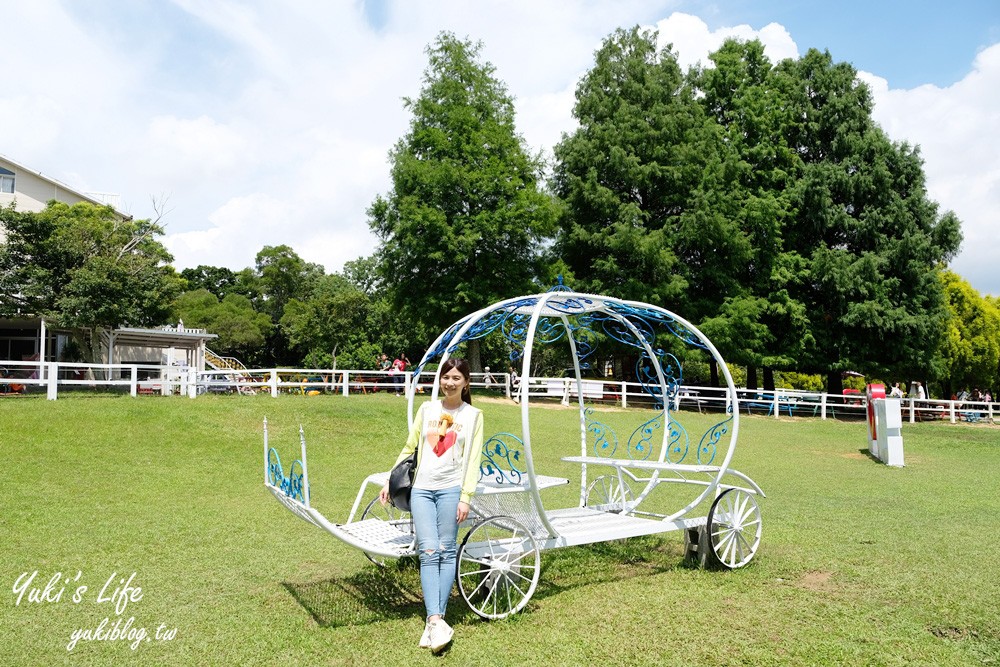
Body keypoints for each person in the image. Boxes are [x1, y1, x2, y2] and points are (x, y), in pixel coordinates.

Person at [379, 358, 484, 654]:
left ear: (465, 383)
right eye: (445, 377)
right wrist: (390, 479)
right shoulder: (427, 410)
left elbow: (473, 458)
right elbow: (410, 447)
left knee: (446, 550)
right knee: (427, 551)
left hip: (451, 490)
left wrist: (466, 496)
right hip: (423, 489)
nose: (450, 382)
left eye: (456, 378)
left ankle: (436, 621)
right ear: (440, 380)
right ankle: (435, 619)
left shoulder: (474, 415)